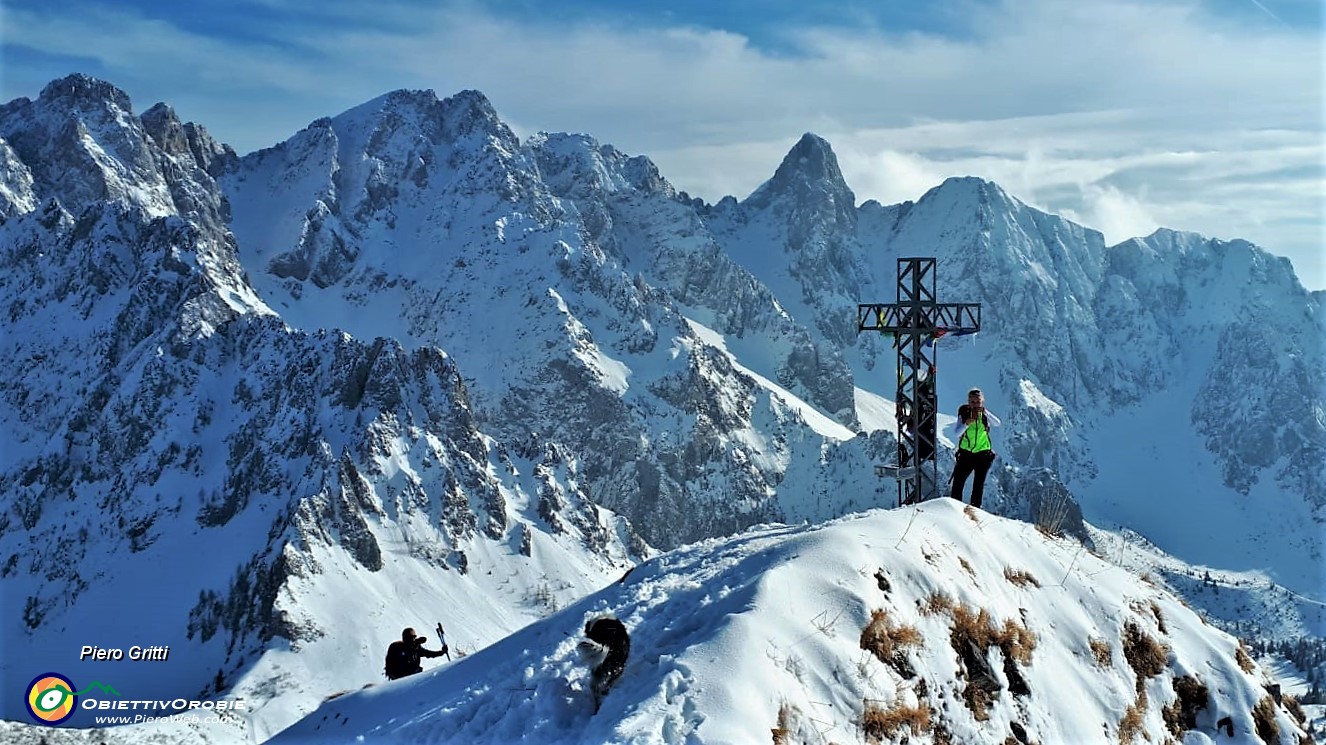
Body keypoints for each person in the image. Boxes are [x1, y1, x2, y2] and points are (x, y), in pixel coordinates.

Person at [949, 387, 1000, 508]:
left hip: (983, 454)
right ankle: (955, 509)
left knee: (978, 484)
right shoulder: (964, 413)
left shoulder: (984, 415)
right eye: (973, 402)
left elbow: (997, 423)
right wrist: (967, 423)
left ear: (982, 402)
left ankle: (975, 509)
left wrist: (985, 412)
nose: (975, 404)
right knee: (958, 482)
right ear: (968, 402)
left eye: (978, 401)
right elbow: (957, 433)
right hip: (966, 454)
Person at [579, 615, 630, 712]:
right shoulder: (618, 626)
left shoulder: (594, 629)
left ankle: (598, 701)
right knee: (616, 668)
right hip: (621, 651)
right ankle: (609, 685)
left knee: (597, 679)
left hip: (603, 654)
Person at [384, 627, 448, 680]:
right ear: (405, 638)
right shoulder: (397, 648)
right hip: (401, 678)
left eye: (414, 637)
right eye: (411, 637)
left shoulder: (416, 647)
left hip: (414, 676)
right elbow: (390, 662)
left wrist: (441, 652)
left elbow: (428, 653)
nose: (413, 639)